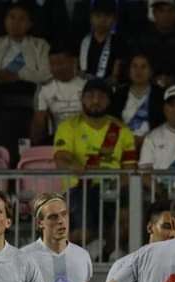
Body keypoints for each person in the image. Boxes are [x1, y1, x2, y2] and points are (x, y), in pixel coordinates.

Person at [53, 77, 138, 247]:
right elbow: (61, 158)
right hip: (79, 188)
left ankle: (109, 253)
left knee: (129, 213)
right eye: (90, 96)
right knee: (85, 230)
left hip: (113, 188)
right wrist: (73, 165)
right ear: (82, 98)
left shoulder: (122, 130)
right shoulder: (68, 126)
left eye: (101, 96)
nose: (95, 101)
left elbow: (130, 168)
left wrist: (117, 186)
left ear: (108, 100)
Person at [0, 2, 52, 92]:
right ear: (5, 20)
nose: (15, 23)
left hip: (29, 96)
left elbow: (47, 75)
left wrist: (19, 76)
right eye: (12, 17)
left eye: (22, 19)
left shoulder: (40, 45)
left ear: (30, 24)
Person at [31, 45, 87, 144]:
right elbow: (39, 122)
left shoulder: (88, 83)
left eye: (61, 63)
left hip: (88, 137)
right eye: (52, 64)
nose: (56, 68)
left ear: (74, 61)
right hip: (60, 140)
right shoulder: (44, 88)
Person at [109, 52, 166, 144]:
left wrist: (145, 140)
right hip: (123, 143)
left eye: (143, 67)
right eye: (134, 66)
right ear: (129, 70)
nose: (138, 71)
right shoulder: (120, 94)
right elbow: (112, 120)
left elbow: (163, 125)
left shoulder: (160, 95)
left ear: (151, 71)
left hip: (152, 144)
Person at [137, 0, 175, 87]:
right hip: (146, 87)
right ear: (154, 13)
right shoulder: (142, 38)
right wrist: (150, 78)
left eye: (170, 11)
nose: (166, 15)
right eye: (161, 11)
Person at [79, 0, 130, 82]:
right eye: (98, 16)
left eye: (107, 16)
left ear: (114, 19)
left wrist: (113, 78)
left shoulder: (119, 42)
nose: (102, 20)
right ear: (91, 18)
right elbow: (78, 70)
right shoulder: (83, 40)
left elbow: (115, 74)